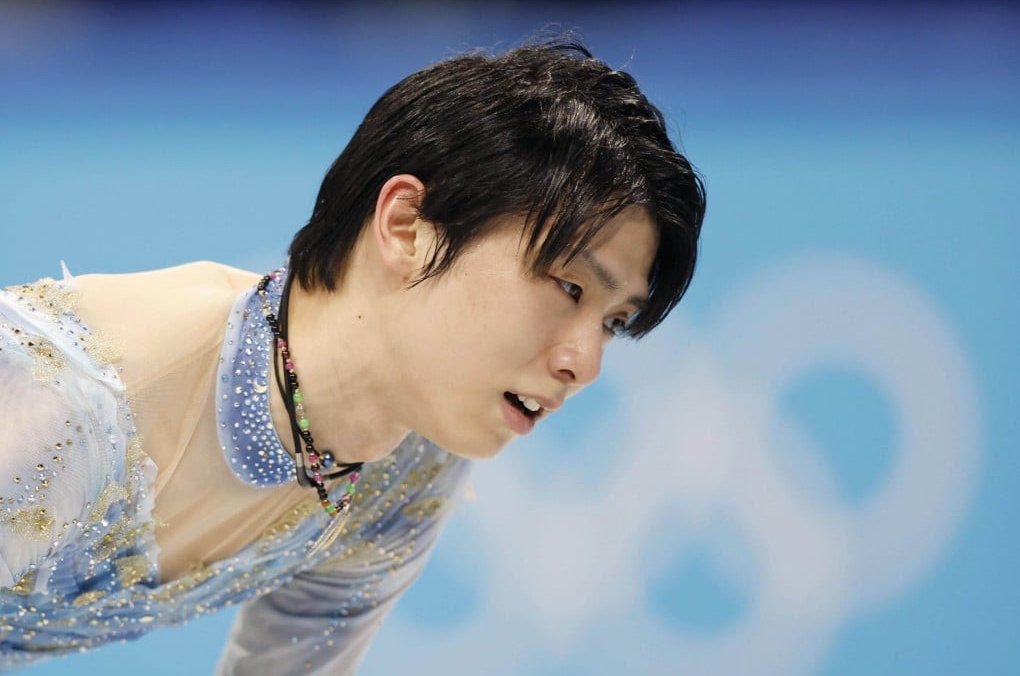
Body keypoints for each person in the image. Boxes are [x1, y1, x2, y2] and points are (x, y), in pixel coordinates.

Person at [0, 39, 705, 674]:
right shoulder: (70, 406)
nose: (585, 364)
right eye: (569, 285)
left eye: (614, 322)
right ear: (406, 227)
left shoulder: (409, 465)